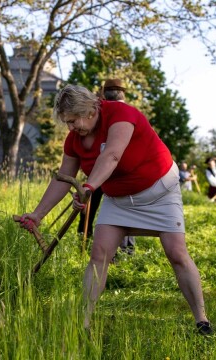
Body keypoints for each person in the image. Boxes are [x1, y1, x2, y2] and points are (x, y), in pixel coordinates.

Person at [17, 84, 212, 335]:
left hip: (160, 191)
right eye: (67, 122)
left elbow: (111, 156)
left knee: (176, 253)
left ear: (89, 110)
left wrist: (88, 187)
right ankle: (83, 322)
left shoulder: (121, 115)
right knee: (99, 253)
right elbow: (63, 177)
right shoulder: (74, 139)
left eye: (73, 120)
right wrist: (38, 214)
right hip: (118, 198)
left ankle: (202, 320)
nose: (71, 127)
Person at [78, 78, 135, 258]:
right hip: (118, 172)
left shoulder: (98, 114)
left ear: (104, 93)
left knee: (90, 206)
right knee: (125, 210)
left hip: (100, 170)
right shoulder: (130, 112)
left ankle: (83, 240)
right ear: (123, 93)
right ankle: (125, 251)